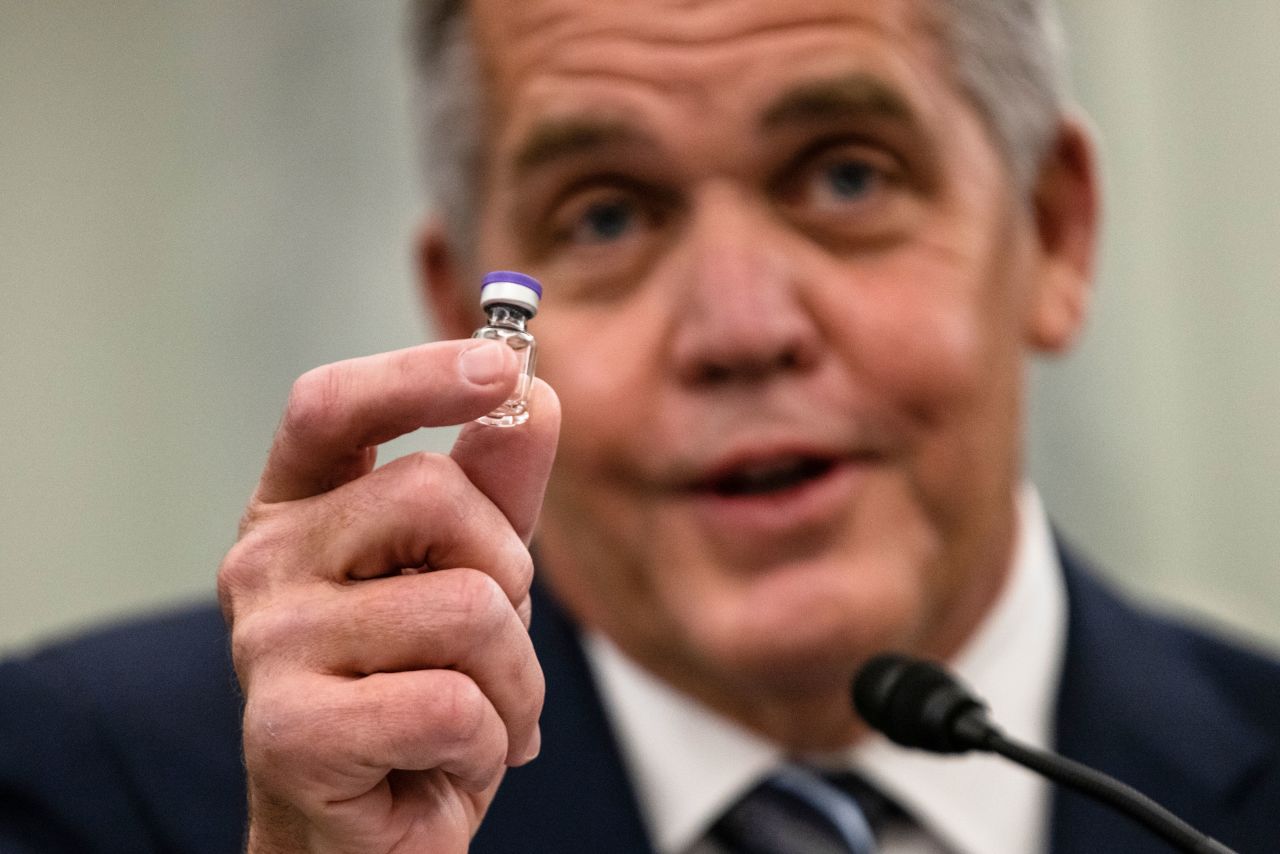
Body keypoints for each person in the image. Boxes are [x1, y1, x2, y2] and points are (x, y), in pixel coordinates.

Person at [2, 0, 1279, 852]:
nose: (735, 326)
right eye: (605, 215)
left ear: (1052, 233)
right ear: (467, 320)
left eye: (845, 175)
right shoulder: (102, 787)